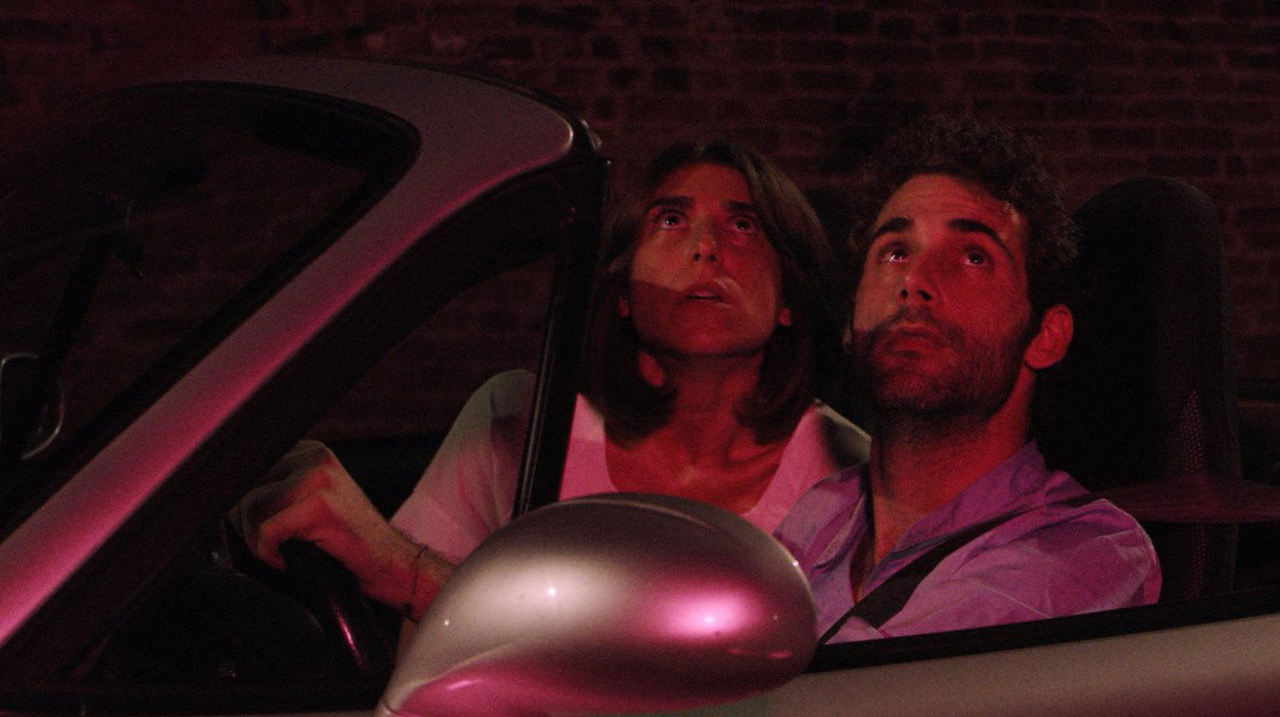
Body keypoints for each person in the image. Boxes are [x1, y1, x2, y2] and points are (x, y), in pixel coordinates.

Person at [234, 139, 869, 624]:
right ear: (622, 291)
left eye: (743, 225)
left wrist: (399, 566)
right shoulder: (520, 421)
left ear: (788, 300)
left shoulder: (850, 477)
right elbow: (426, 674)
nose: (706, 248)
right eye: (670, 221)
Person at [774, 116, 1161, 643]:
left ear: (1045, 336)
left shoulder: (1086, 550)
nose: (914, 281)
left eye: (973, 257)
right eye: (895, 252)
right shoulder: (824, 510)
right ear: (849, 323)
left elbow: (886, 680)